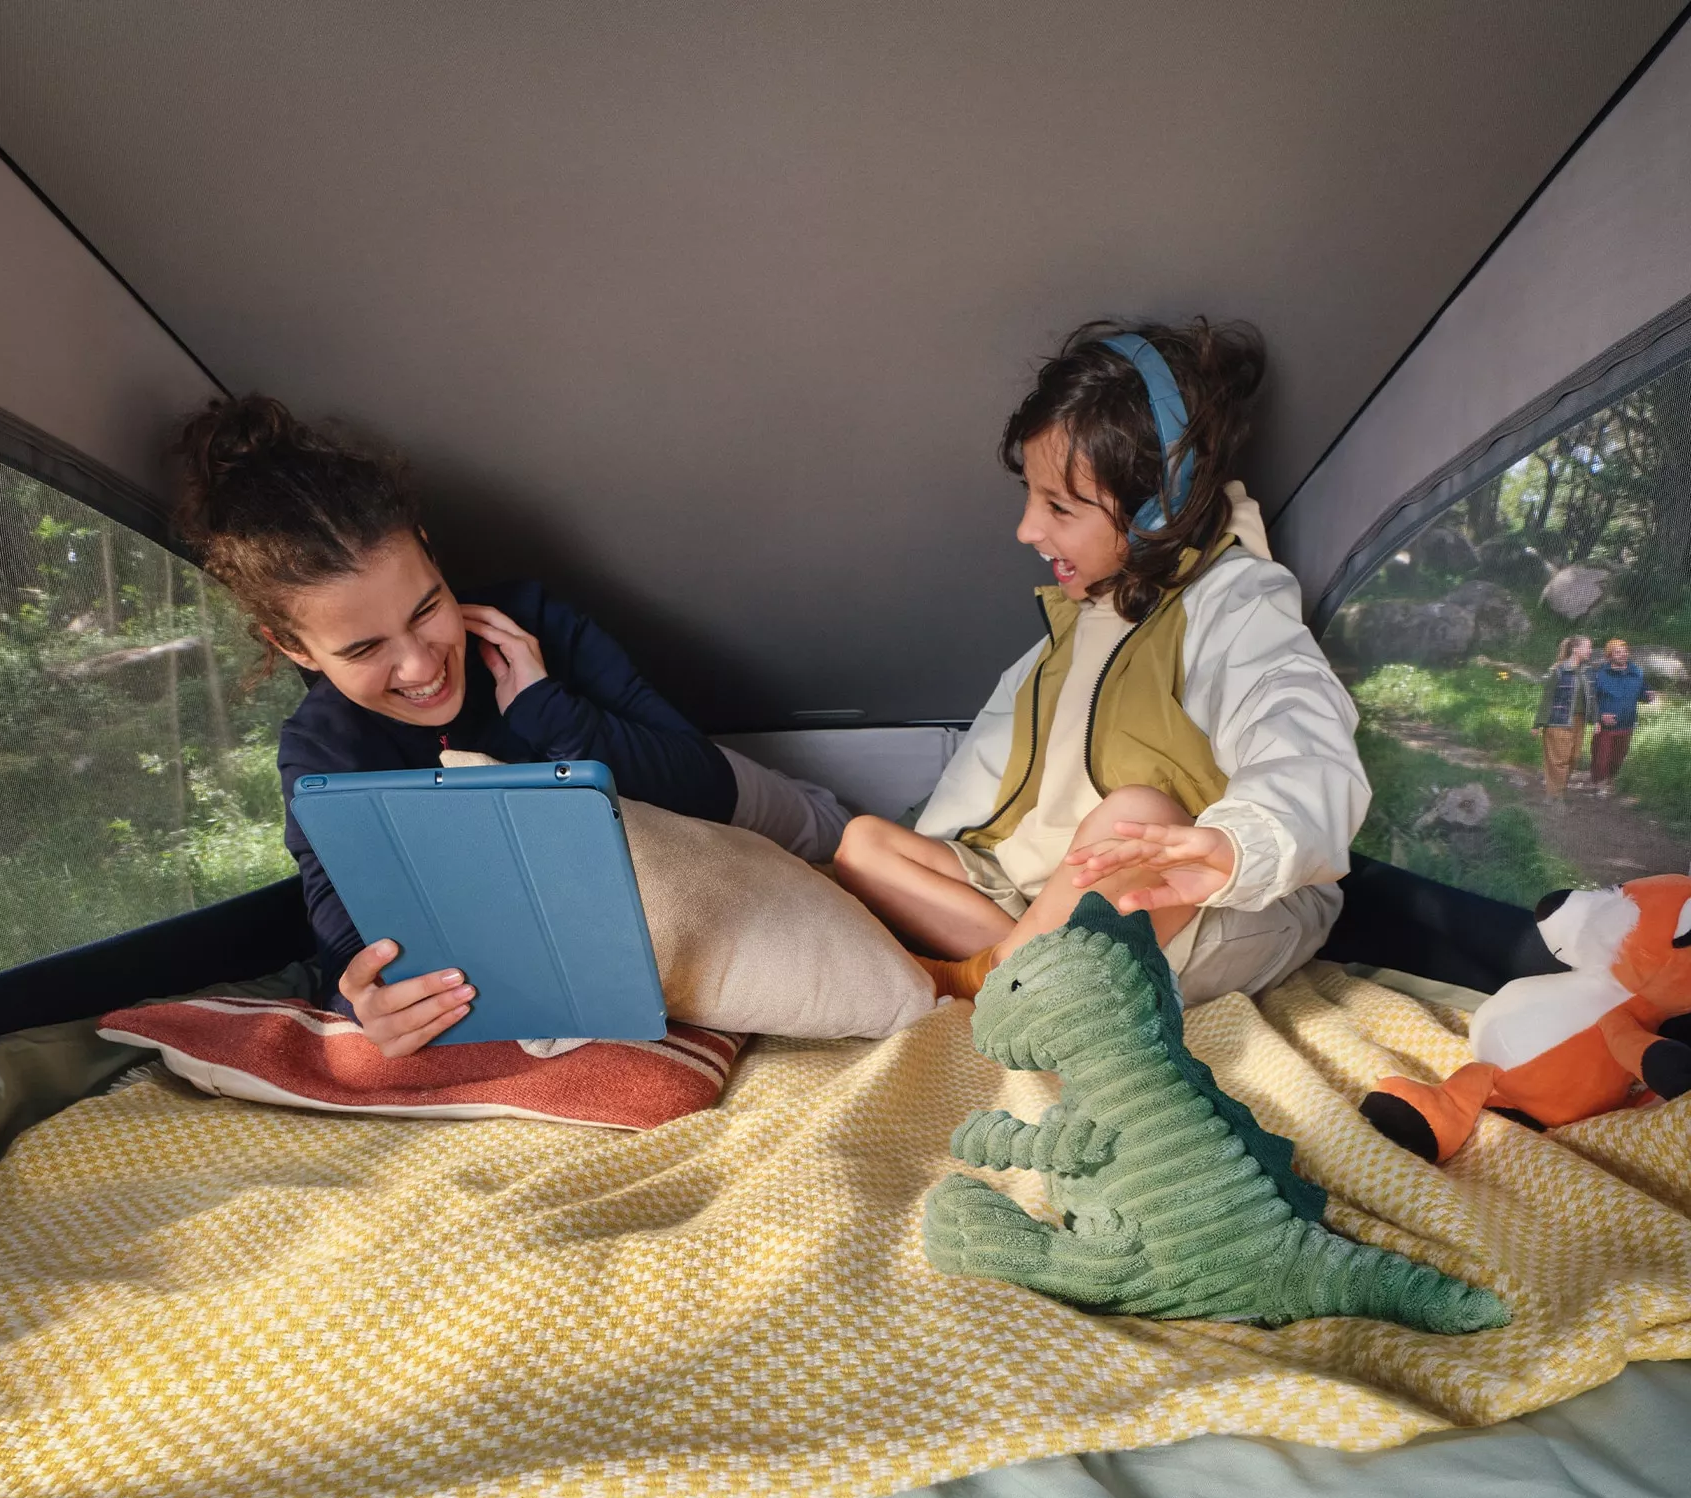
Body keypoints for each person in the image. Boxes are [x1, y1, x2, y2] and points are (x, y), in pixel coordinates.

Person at [174, 395, 846, 1055]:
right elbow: (348, 939)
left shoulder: (533, 620)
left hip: (701, 806)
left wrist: (546, 710)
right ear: (294, 649)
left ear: (432, 557)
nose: (418, 666)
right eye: (363, 649)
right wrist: (365, 1002)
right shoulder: (323, 748)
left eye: (426, 608)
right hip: (636, 888)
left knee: (836, 838)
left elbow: (703, 785)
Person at [830, 320, 1368, 1005]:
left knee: (1136, 810)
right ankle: (1018, 968)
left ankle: (1004, 980)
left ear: (1154, 509)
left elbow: (1306, 747)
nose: (1027, 529)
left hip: (1199, 895)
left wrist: (1242, 846)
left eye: (1058, 506)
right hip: (1046, 890)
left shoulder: (1235, 604)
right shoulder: (1078, 622)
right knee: (865, 845)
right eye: (1031, 496)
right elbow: (979, 790)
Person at [1588, 636, 1656, 795]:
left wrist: (1648, 696)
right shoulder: (1600, 674)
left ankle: (1611, 780)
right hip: (1606, 725)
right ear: (1609, 656)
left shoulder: (1636, 672)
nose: (1623, 654)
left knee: (1618, 757)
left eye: (1625, 651)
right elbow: (1591, 699)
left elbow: (1642, 694)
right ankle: (1600, 784)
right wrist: (1599, 716)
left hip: (1627, 724)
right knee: (1601, 756)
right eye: (1618, 652)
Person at [1533, 635, 1596, 801]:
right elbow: (1547, 697)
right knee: (1558, 759)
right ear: (1576, 649)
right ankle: (1555, 796)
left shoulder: (1588, 671)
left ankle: (1558, 790)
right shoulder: (1558, 670)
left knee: (1573, 758)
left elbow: (1592, 698)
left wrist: (1596, 721)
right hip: (1557, 720)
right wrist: (1538, 723)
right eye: (1588, 647)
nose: (1590, 651)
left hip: (1578, 721)